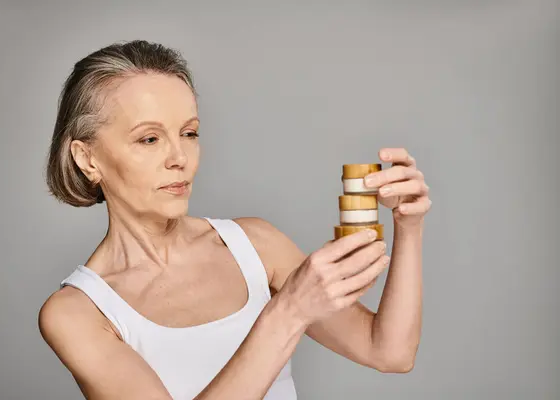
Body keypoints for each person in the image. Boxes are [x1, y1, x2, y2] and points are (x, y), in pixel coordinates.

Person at [38, 40, 431, 400]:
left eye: (189, 133)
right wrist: (289, 310)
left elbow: (390, 352)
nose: (179, 157)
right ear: (87, 159)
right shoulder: (77, 314)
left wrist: (408, 225)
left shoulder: (256, 245)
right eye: (149, 139)